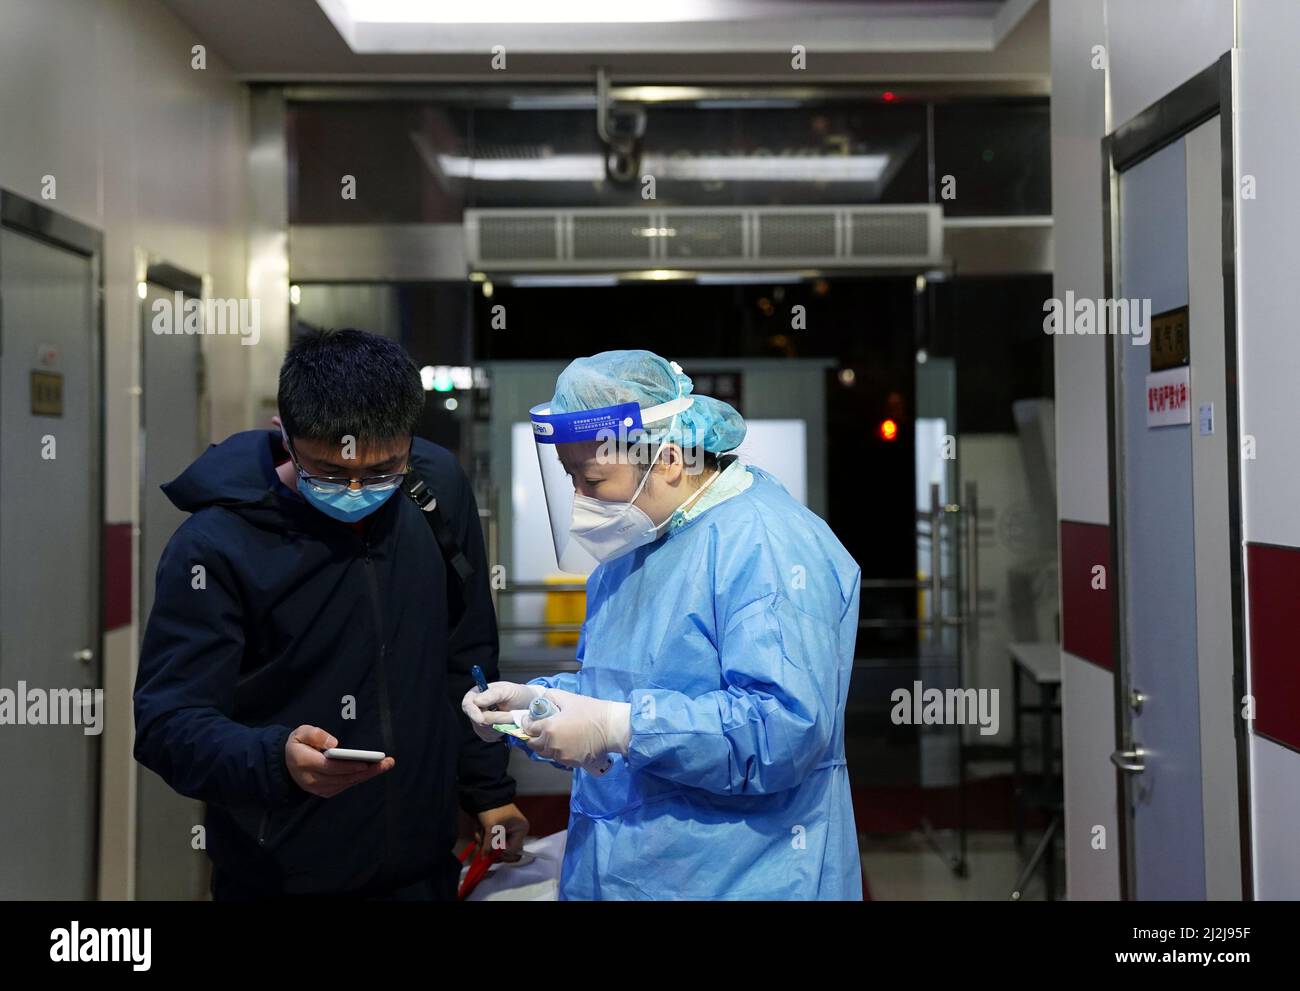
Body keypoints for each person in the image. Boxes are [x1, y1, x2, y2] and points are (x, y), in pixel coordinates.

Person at [134, 328, 526, 900]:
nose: (356, 489)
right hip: (280, 879)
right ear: (285, 437)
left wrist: (488, 792)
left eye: (383, 470)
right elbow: (167, 724)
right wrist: (275, 760)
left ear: (410, 442)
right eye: (329, 472)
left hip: (425, 868)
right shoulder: (215, 546)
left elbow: (466, 654)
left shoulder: (433, 491)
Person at [463, 349, 862, 899]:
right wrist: (538, 705)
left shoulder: (764, 543)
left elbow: (784, 731)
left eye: (593, 477)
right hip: (631, 869)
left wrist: (620, 727)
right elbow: (628, 688)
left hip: (741, 875)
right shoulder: (639, 540)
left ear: (669, 458)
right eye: (569, 476)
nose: (580, 498)